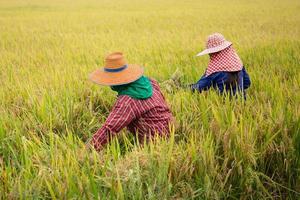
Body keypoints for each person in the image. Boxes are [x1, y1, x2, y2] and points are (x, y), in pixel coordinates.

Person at [89, 52, 174, 151]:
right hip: (170, 129)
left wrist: (89, 149)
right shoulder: (150, 82)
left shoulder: (128, 100)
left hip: (154, 143)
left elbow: (110, 128)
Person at [189, 33, 251, 99]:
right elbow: (247, 83)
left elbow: (198, 87)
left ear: (213, 53)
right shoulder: (238, 64)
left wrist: (183, 88)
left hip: (223, 104)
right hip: (242, 104)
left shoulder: (214, 70)